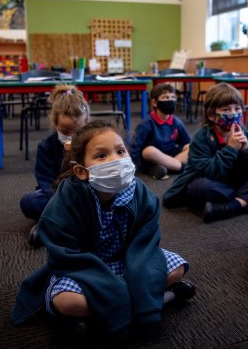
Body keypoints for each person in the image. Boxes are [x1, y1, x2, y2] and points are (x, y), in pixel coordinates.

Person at [11, 120, 195, 341]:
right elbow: (66, 258)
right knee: (67, 301)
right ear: (81, 171)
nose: (115, 160)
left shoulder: (141, 194)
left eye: (120, 151)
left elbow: (145, 245)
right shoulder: (64, 204)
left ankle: (107, 312)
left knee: (177, 268)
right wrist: (113, 287)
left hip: (129, 261)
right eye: (101, 156)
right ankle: (159, 298)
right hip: (83, 269)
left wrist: (139, 277)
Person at [163, 82, 248, 223]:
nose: (234, 114)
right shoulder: (201, 138)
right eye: (226, 110)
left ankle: (231, 206)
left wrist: (247, 149)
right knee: (201, 187)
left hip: (235, 181)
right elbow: (209, 171)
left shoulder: (246, 134)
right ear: (211, 115)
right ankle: (244, 201)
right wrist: (231, 149)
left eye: (237, 108)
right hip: (214, 181)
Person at [19, 84, 89, 246]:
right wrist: (60, 200)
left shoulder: (92, 143)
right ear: (55, 123)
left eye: (77, 132)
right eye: (65, 132)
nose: (71, 137)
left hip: (85, 193)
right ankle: (72, 222)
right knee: (29, 202)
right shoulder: (46, 146)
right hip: (55, 195)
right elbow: (44, 181)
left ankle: (52, 224)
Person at [130, 83, 190, 180]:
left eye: (173, 97)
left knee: (191, 147)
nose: (170, 100)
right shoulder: (146, 123)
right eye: (165, 97)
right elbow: (134, 148)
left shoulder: (177, 122)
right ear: (154, 102)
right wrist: (141, 168)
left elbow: (186, 142)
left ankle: (166, 168)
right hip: (154, 158)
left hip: (171, 154)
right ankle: (180, 168)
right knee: (148, 151)